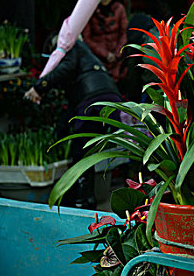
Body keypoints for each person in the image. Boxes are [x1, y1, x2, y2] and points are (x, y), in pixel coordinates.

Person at [25, 40, 122, 209]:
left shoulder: (69, 47)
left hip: (93, 100)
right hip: (106, 95)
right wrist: (61, 130)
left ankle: (82, 201)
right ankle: (84, 198)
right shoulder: (84, 53)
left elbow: (65, 69)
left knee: (81, 152)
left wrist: (40, 87)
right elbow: (72, 106)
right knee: (87, 150)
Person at [82, 0, 129, 82]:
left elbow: (124, 33)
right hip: (97, 57)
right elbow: (87, 38)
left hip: (118, 57)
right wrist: (105, 54)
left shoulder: (119, 9)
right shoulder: (90, 10)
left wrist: (117, 53)